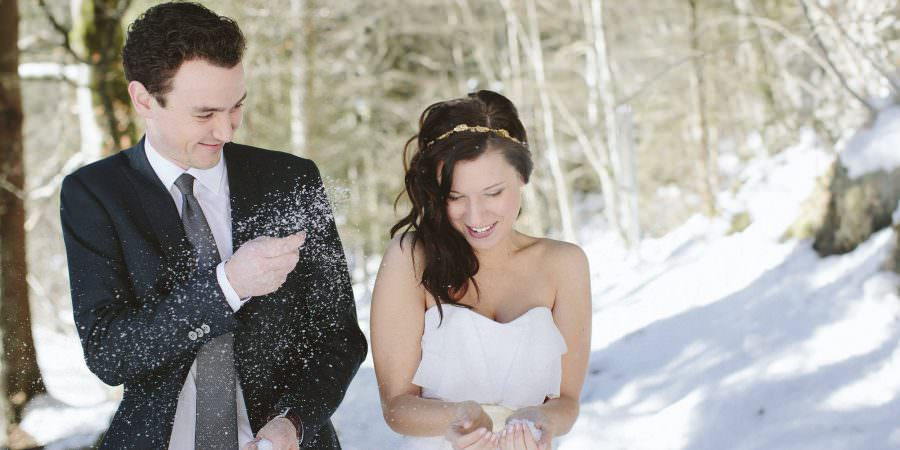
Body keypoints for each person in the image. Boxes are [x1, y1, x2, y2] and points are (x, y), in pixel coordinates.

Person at [59, 3, 366, 449]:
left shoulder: (290, 180)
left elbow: (340, 338)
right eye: (204, 114)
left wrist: (293, 422)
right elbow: (110, 353)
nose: (225, 130)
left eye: (236, 106)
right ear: (144, 99)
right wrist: (228, 285)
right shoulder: (94, 194)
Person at [370, 90, 591, 450]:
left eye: (492, 193)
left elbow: (566, 402)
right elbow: (397, 408)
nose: (475, 217)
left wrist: (543, 421)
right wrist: (458, 417)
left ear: (522, 176)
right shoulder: (410, 257)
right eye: (455, 197)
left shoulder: (565, 264)